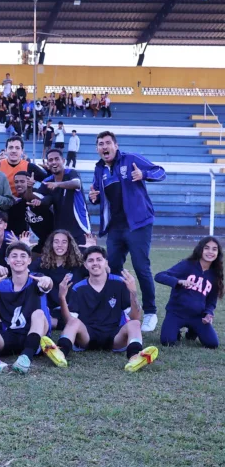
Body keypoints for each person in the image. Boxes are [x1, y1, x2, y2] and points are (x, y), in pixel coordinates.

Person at [89, 131, 166, 332]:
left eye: (107, 143)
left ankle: (150, 312)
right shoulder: (99, 169)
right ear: (97, 149)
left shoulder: (131, 159)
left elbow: (160, 171)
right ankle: (122, 309)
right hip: (115, 227)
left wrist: (144, 174)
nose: (104, 147)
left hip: (138, 224)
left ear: (115, 145)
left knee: (141, 267)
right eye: (100, 144)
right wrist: (93, 197)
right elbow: (96, 194)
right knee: (113, 269)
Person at [56, 246, 158, 372]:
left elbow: (135, 317)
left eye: (99, 259)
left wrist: (133, 292)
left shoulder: (119, 283)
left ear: (106, 262)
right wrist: (62, 298)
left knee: (135, 324)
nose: (95, 263)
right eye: (91, 260)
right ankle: (60, 352)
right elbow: (69, 321)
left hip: (115, 336)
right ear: (85, 265)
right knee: (73, 322)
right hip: (87, 336)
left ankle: (134, 357)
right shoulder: (78, 287)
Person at [0, 242, 58, 374]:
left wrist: (47, 280)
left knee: (38, 313)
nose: (18, 259)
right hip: (11, 334)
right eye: (14, 256)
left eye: (23, 256)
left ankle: (26, 357)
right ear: (7, 261)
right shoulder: (2, 284)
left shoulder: (35, 279)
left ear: (29, 260)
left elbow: (47, 284)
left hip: (35, 335)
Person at [155, 236, 222, 349]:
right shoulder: (187, 265)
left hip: (197, 316)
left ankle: (193, 331)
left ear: (218, 253)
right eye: (207, 248)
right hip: (176, 313)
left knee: (212, 344)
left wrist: (208, 313)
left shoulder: (215, 274)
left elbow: (211, 300)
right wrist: (178, 281)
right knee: (167, 341)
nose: (210, 252)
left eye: (214, 249)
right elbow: (159, 276)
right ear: (200, 249)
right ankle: (175, 331)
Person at [30, 230, 87, 330]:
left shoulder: (79, 263)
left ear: (69, 245)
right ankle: (51, 322)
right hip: (49, 309)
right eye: (56, 241)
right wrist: (24, 247)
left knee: (80, 320)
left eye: (64, 242)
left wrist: (92, 250)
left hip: (72, 310)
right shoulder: (42, 262)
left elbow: (102, 272)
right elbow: (26, 273)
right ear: (51, 244)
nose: (59, 245)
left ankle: (56, 323)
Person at [41, 149, 90, 245]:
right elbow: (38, 197)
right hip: (60, 230)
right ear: (48, 163)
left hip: (80, 227)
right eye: (50, 160)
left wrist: (57, 184)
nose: (54, 162)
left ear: (63, 161)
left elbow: (76, 183)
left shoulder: (71, 173)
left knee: (82, 258)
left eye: (56, 159)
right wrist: (29, 189)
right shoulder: (47, 181)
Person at [6, 171, 54, 251]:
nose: (19, 184)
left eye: (22, 181)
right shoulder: (16, 204)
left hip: (50, 243)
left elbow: (34, 198)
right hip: (31, 245)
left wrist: (29, 188)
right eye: (16, 182)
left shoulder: (39, 194)